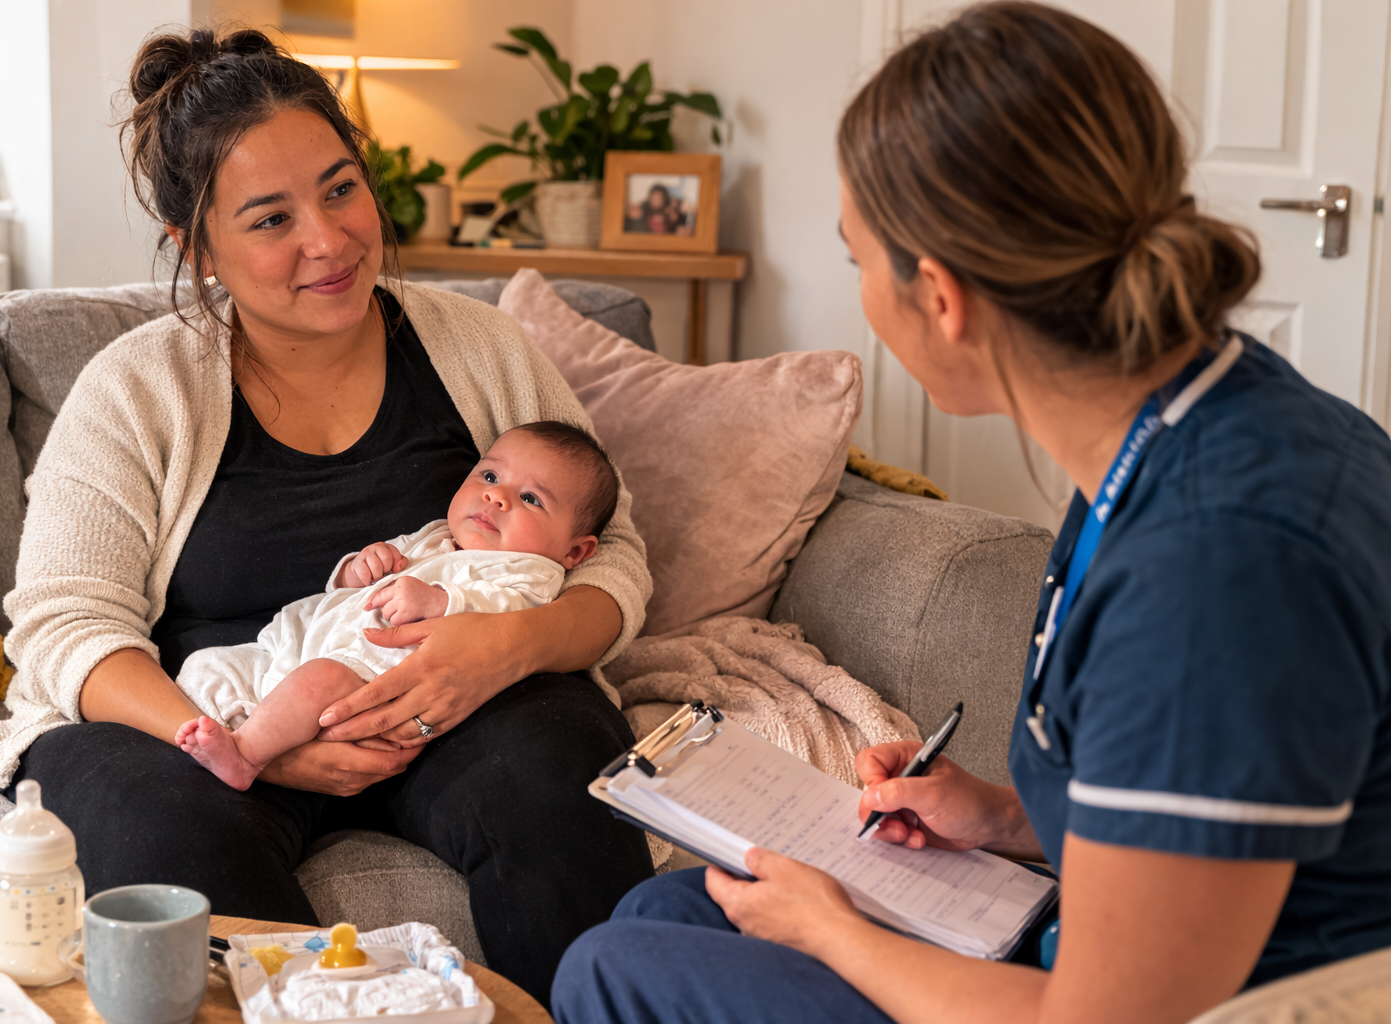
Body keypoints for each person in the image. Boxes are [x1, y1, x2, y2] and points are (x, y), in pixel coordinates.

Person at [551, 4, 1391, 1023]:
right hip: (1090, 933)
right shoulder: (1190, 418)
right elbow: (1206, 804)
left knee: (613, 969)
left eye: (858, 259)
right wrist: (994, 817)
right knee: (664, 908)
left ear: (940, 296)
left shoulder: (1216, 568)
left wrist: (837, 932)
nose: (860, 288)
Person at [0, 27, 654, 1004]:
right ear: (195, 246)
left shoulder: (479, 346)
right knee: (144, 821)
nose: (327, 240)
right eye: (270, 218)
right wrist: (243, 736)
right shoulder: (136, 388)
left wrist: (510, 645)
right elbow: (67, 624)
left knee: (555, 765)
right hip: (210, 711)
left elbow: (609, 553)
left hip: (438, 703)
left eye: (340, 189)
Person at [173, 421, 620, 791]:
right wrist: (361, 566)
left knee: (315, 684)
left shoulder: (530, 571)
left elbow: (512, 612)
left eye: (530, 499)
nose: (496, 497)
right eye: (489, 476)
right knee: (207, 667)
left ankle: (246, 756)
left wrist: (441, 601)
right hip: (301, 642)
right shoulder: (437, 535)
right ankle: (226, 729)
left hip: (366, 672)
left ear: (576, 553)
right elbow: (354, 581)